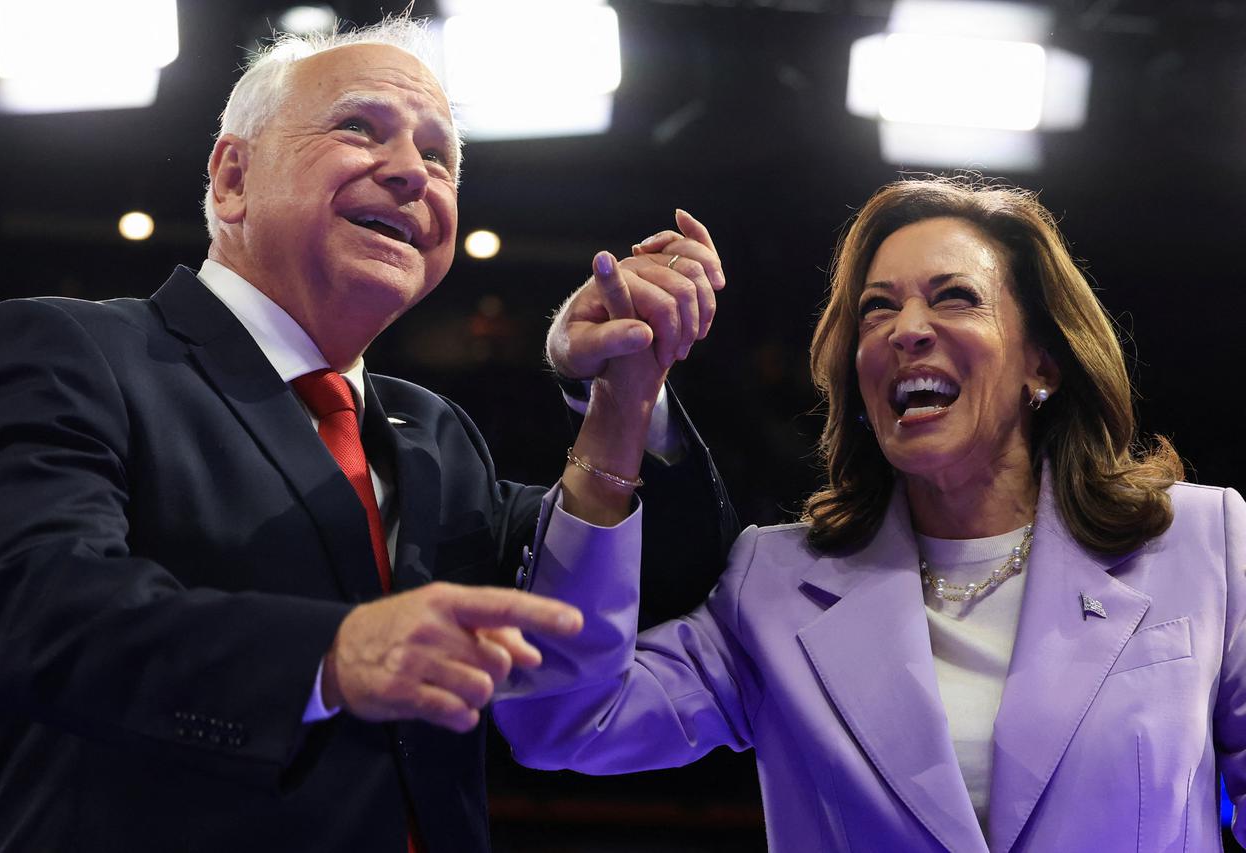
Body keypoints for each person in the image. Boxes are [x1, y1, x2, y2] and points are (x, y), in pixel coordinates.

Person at [0, 14, 737, 852]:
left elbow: (669, 583)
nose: (412, 171)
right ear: (233, 178)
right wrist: (328, 655)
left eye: (439, 156)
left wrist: (622, 400)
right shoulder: (73, 351)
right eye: (359, 127)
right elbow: (31, 612)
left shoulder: (436, 435)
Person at [494, 175, 1246, 853]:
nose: (905, 328)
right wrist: (620, 404)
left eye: (953, 296)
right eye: (876, 309)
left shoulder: (1203, 544)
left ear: (1041, 365)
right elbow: (564, 721)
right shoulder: (776, 585)